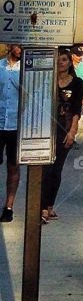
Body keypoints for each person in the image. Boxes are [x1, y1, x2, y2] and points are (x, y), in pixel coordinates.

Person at [41, 50, 83, 223]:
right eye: (58, 60)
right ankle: (42, 207)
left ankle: (49, 206)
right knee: (45, 169)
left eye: (64, 60)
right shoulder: (47, 80)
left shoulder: (77, 83)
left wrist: (72, 131)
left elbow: (76, 110)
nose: (61, 62)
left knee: (56, 170)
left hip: (64, 129)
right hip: (45, 128)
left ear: (69, 62)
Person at [0, 45, 22, 223]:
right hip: (0, 122)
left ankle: (9, 206)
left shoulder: (26, 70)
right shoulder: (0, 66)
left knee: (13, 166)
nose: (21, 48)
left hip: (17, 124)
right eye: (18, 44)